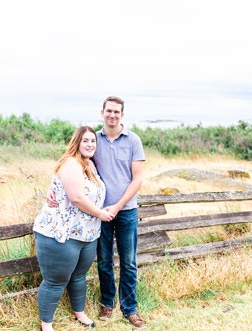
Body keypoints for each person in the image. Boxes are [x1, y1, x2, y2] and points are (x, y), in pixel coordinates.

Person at [48, 96, 147, 328]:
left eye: (117, 112)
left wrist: (118, 205)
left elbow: (138, 178)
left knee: (129, 262)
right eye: (109, 111)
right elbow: (69, 161)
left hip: (126, 211)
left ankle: (130, 309)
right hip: (98, 212)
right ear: (102, 112)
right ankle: (107, 303)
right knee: (103, 260)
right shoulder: (94, 140)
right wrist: (50, 188)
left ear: (122, 114)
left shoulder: (133, 140)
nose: (112, 115)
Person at [33, 126, 114, 331]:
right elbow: (77, 197)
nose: (90, 145)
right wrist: (100, 214)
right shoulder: (70, 163)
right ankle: (47, 324)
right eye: (85, 141)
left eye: (93, 141)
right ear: (76, 142)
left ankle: (79, 313)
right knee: (55, 280)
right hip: (61, 233)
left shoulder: (89, 164)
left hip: (87, 234)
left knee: (78, 276)